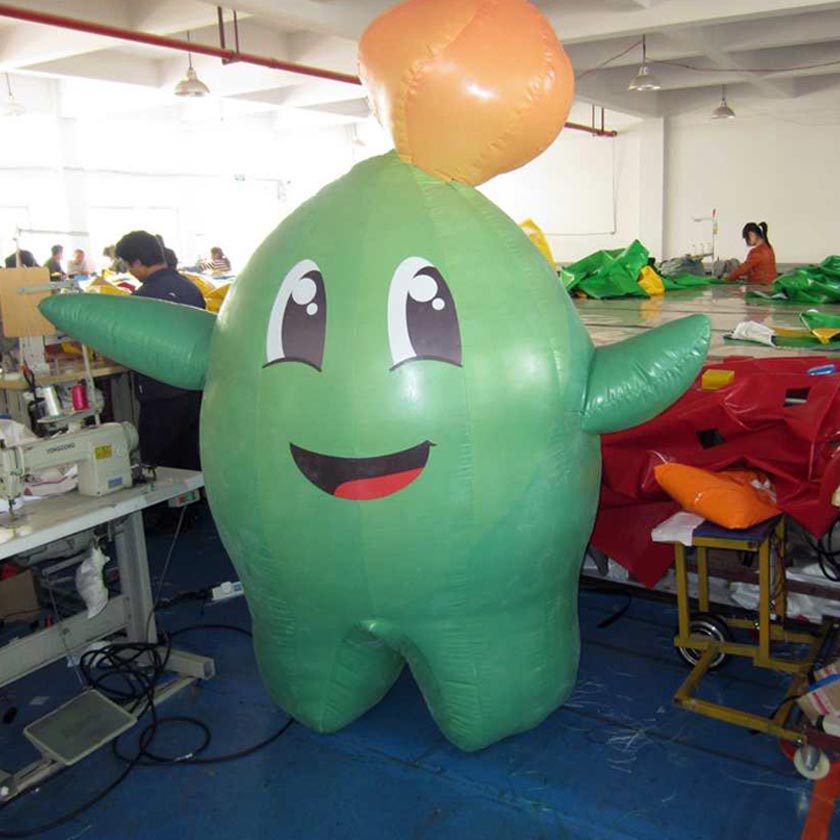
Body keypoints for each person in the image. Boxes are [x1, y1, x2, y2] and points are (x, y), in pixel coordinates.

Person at [115, 230, 205, 471]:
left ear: (137, 262)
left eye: (128, 265)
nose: (130, 272)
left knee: (161, 469)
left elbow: (130, 346)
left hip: (160, 397)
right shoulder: (191, 289)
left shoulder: (142, 299)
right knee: (194, 463)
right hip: (195, 393)